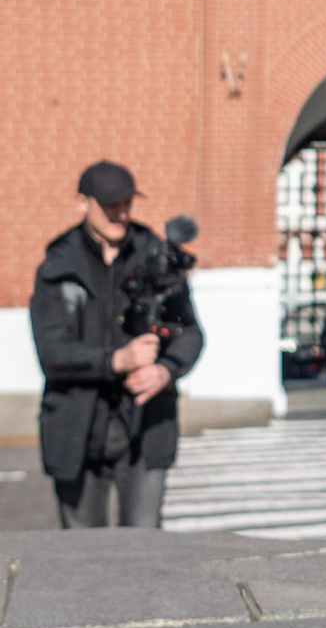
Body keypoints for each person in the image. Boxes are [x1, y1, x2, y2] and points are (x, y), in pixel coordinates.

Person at [30, 162, 201, 529]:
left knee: (143, 549)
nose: (121, 213)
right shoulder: (57, 265)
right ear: (82, 202)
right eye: (110, 204)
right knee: (83, 555)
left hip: (145, 428)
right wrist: (116, 360)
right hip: (76, 429)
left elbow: (190, 332)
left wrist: (164, 370)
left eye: (126, 203)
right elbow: (52, 353)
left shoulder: (156, 256)